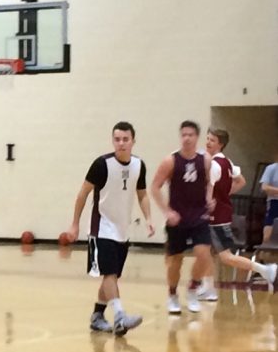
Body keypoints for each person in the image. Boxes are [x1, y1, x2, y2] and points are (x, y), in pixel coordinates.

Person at [67, 122, 152, 335]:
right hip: (101, 227)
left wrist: (149, 218)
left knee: (111, 277)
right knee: (110, 273)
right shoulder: (101, 165)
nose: (121, 143)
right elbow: (82, 194)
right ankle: (120, 316)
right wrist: (75, 224)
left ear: (133, 140)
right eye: (117, 139)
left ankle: (97, 316)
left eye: (125, 139)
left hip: (122, 229)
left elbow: (142, 194)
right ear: (112, 140)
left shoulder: (138, 165)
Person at [198, 128, 276, 298]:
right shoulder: (227, 162)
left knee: (225, 257)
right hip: (221, 214)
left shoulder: (214, 165)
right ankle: (208, 287)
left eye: (212, 140)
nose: (208, 142)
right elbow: (241, 181)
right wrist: (225, 194)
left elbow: (209, 191)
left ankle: (264, 270)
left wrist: (208, 204)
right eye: (208, 139)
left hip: (215, 217)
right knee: (204, 250)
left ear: (221, 144)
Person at [150, 121, 215, 315]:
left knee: (203, 255)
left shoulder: (205, 160)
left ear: (197, 137)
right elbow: (155, 187)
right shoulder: (170, 161)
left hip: (199, 215)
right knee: (175, 260)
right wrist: (167, 211)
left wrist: (210, 198)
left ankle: (193, 289)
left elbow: (210, 183)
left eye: (191, 135)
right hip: (178, 217)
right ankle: (172, 295)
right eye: (183, 135)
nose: (186, 138)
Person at [260, 152, 278, 243]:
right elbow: (264, 187)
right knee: (269, 233)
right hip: (275, 202)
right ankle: (264, 252)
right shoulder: (272, 168)